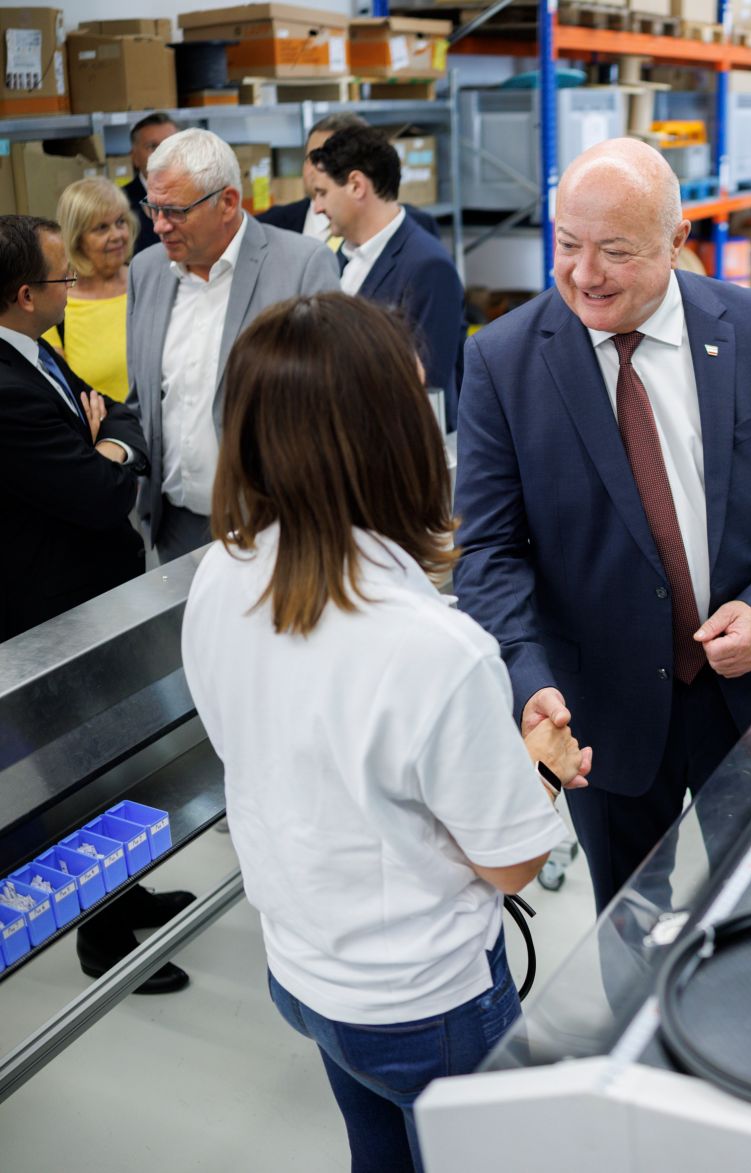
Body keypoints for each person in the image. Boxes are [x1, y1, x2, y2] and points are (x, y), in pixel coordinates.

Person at [181, 292, 585, 1173]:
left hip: (304, 969)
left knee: (379, 1152)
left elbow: (252, 742)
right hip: (424, 1005)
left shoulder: (221, 572)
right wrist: (540, 768)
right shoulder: (437, 650)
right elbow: (511, 863)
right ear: (384, 438)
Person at [452, 139, 751, 910]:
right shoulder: (503, 363)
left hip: (749, 693)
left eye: (615, 251)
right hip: (597, 708)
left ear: (678, 243)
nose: (584, 273)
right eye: (567, 245)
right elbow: (490, 554)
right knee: (629, 918)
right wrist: (528, 679)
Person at [0, 214, 194, 994]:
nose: (72, 288)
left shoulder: (33, 348)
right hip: (52, 608)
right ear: (23, 294)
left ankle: (129, 889)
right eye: (60, 279)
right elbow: (99, 488)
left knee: (119, 759)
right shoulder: (5, 389)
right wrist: (109, 452)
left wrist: (107, 439)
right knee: (78, 769)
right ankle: (101, 935)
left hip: (91, 595)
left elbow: (116, 410)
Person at [126, 127, 341, 564]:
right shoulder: (146, 270)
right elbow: (143, 398)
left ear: (227, 202)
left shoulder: (302, 266)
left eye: (175, 211)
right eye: (152, 207)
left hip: (274, 524)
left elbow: (329, 400)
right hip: (175, 528)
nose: (159, 226)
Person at [308, 125, 465, 429]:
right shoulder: (339, 256)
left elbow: (426, 382)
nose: (317, 207)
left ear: (356, 185)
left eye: (322, 193)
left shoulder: (428, 267)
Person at [258, 111, 441, 245]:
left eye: (329, 161)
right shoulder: (270, 226)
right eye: (311, 159)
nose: (316, 170)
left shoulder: (417, 227)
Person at [49, 177, 134, 402]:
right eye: (101, 228)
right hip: (103, 435)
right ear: (76, 239)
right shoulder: (56, 304)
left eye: (120, 222)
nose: (117, 235)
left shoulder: (147, 282)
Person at [122, 112, 178, 256]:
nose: (163, 154)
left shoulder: (200, 196)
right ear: (134, 157)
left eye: (170, 145)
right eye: (153, 147)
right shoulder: (119, 205)